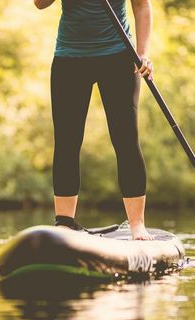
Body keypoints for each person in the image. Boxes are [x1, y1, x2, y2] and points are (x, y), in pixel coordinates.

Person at [34, 0, 154, 240]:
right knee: (67, 141)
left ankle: (137, 225)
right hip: (69, 58)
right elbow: (39, 3)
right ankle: (65, 224)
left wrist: (142, 54)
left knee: (126, 140)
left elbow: (141, 5)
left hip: (119, 57)